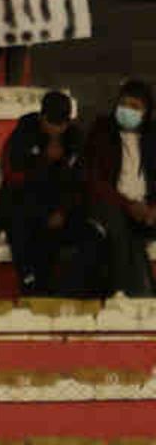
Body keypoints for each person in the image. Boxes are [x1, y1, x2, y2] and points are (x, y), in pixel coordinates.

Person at [0, 90, 82, 296]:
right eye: (52, 123)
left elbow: (80, 181)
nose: (56, 129)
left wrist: (62, 210)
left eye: (62, 124)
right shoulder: (24, 132)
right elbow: (13, 176)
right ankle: (30, 285)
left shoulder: (75, 137)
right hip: (25, 203)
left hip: (61, 206)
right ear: (42, 117)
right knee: (23, 224)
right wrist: (44, 160)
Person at [81, 79, 155, 299]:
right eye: (124, 104)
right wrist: (128, 205)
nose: (128, 111)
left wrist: (151, 208)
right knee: (121, 231)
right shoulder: (103, 131)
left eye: (135, 107)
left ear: (146, 112)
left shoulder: (152, 138)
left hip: (144, 207)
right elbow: (94, 180)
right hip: (112, 203)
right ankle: (122, 294)